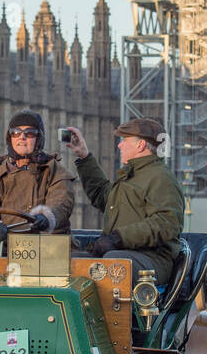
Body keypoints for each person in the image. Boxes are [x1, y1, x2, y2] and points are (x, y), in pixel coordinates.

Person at [64, 118, 185, 285]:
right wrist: (84, 156)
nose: (119, 145)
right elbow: (102, 195)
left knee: (113, 263)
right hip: (123, 253)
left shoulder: (160, 178)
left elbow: (167, 223)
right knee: (66, 261)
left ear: (140, 145)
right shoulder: (132, 176)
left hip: (151, 259)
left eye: (125, 140)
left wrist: (118, 238)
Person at [0, 110, 74, 255]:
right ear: (10, 138)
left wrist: (46, 216)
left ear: (39, 139)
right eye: (15, 133)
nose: (22, 137)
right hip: (7, 251)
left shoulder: (55, 172)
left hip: (49, 250)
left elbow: (61, 202)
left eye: (29, 133)